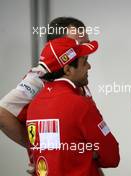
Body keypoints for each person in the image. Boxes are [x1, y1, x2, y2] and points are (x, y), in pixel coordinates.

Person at [0, 17, 106, 175]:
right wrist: (37, 147)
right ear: (56, 45)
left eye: (86, 42)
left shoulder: (77, 74)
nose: (84, 48)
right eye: (77, 44)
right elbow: (2, 114)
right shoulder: (40, 76)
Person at [26, 36, 119, 176]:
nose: (89, 66)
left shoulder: (34, 105)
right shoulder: (81, 104)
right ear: (68, 69)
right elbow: (112, 157)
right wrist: (88, 154)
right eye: (84, 62)